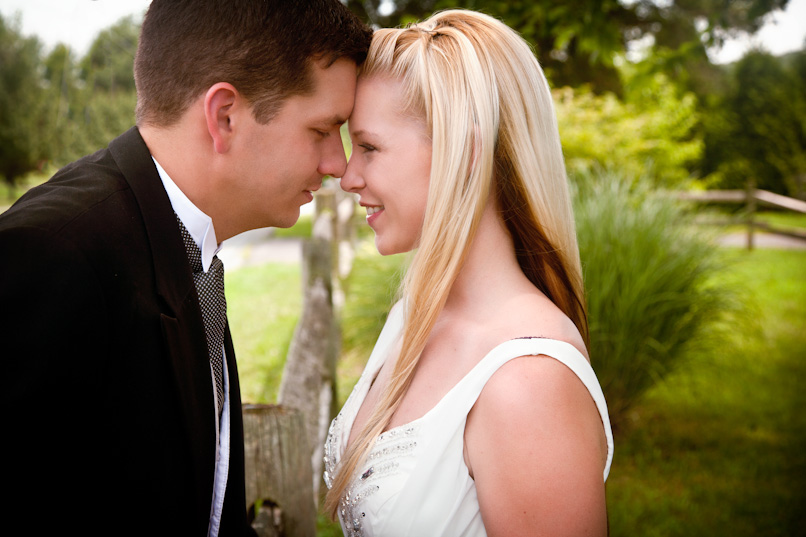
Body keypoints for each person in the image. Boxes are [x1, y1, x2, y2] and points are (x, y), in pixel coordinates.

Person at [0, 1, 371, 534]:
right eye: (320, 130)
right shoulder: (52, 256)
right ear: (224, 116)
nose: (338, 163)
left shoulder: (181, 236)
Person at [323, 9, 613, 536]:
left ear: (466, 151)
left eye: (368, 147)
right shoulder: (415, 312)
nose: (347, 175)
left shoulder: (528, 382)